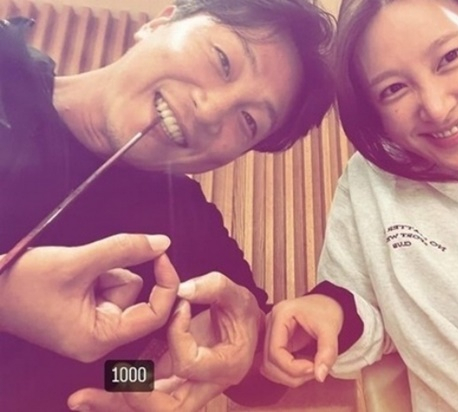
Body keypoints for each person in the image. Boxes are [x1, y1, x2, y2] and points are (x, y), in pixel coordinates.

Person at [0, 0, 334, 409]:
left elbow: (254, 377)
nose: (210, 111)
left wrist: (138, 381)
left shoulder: (185, 227)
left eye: (249, 121)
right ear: (160, 23)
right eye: (222, 60)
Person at [261, 0, 458, 410]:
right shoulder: (370, 184)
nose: (436, 107)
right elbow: (365, 321)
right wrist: (327, 312)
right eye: (393, 89)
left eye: (450, 57)